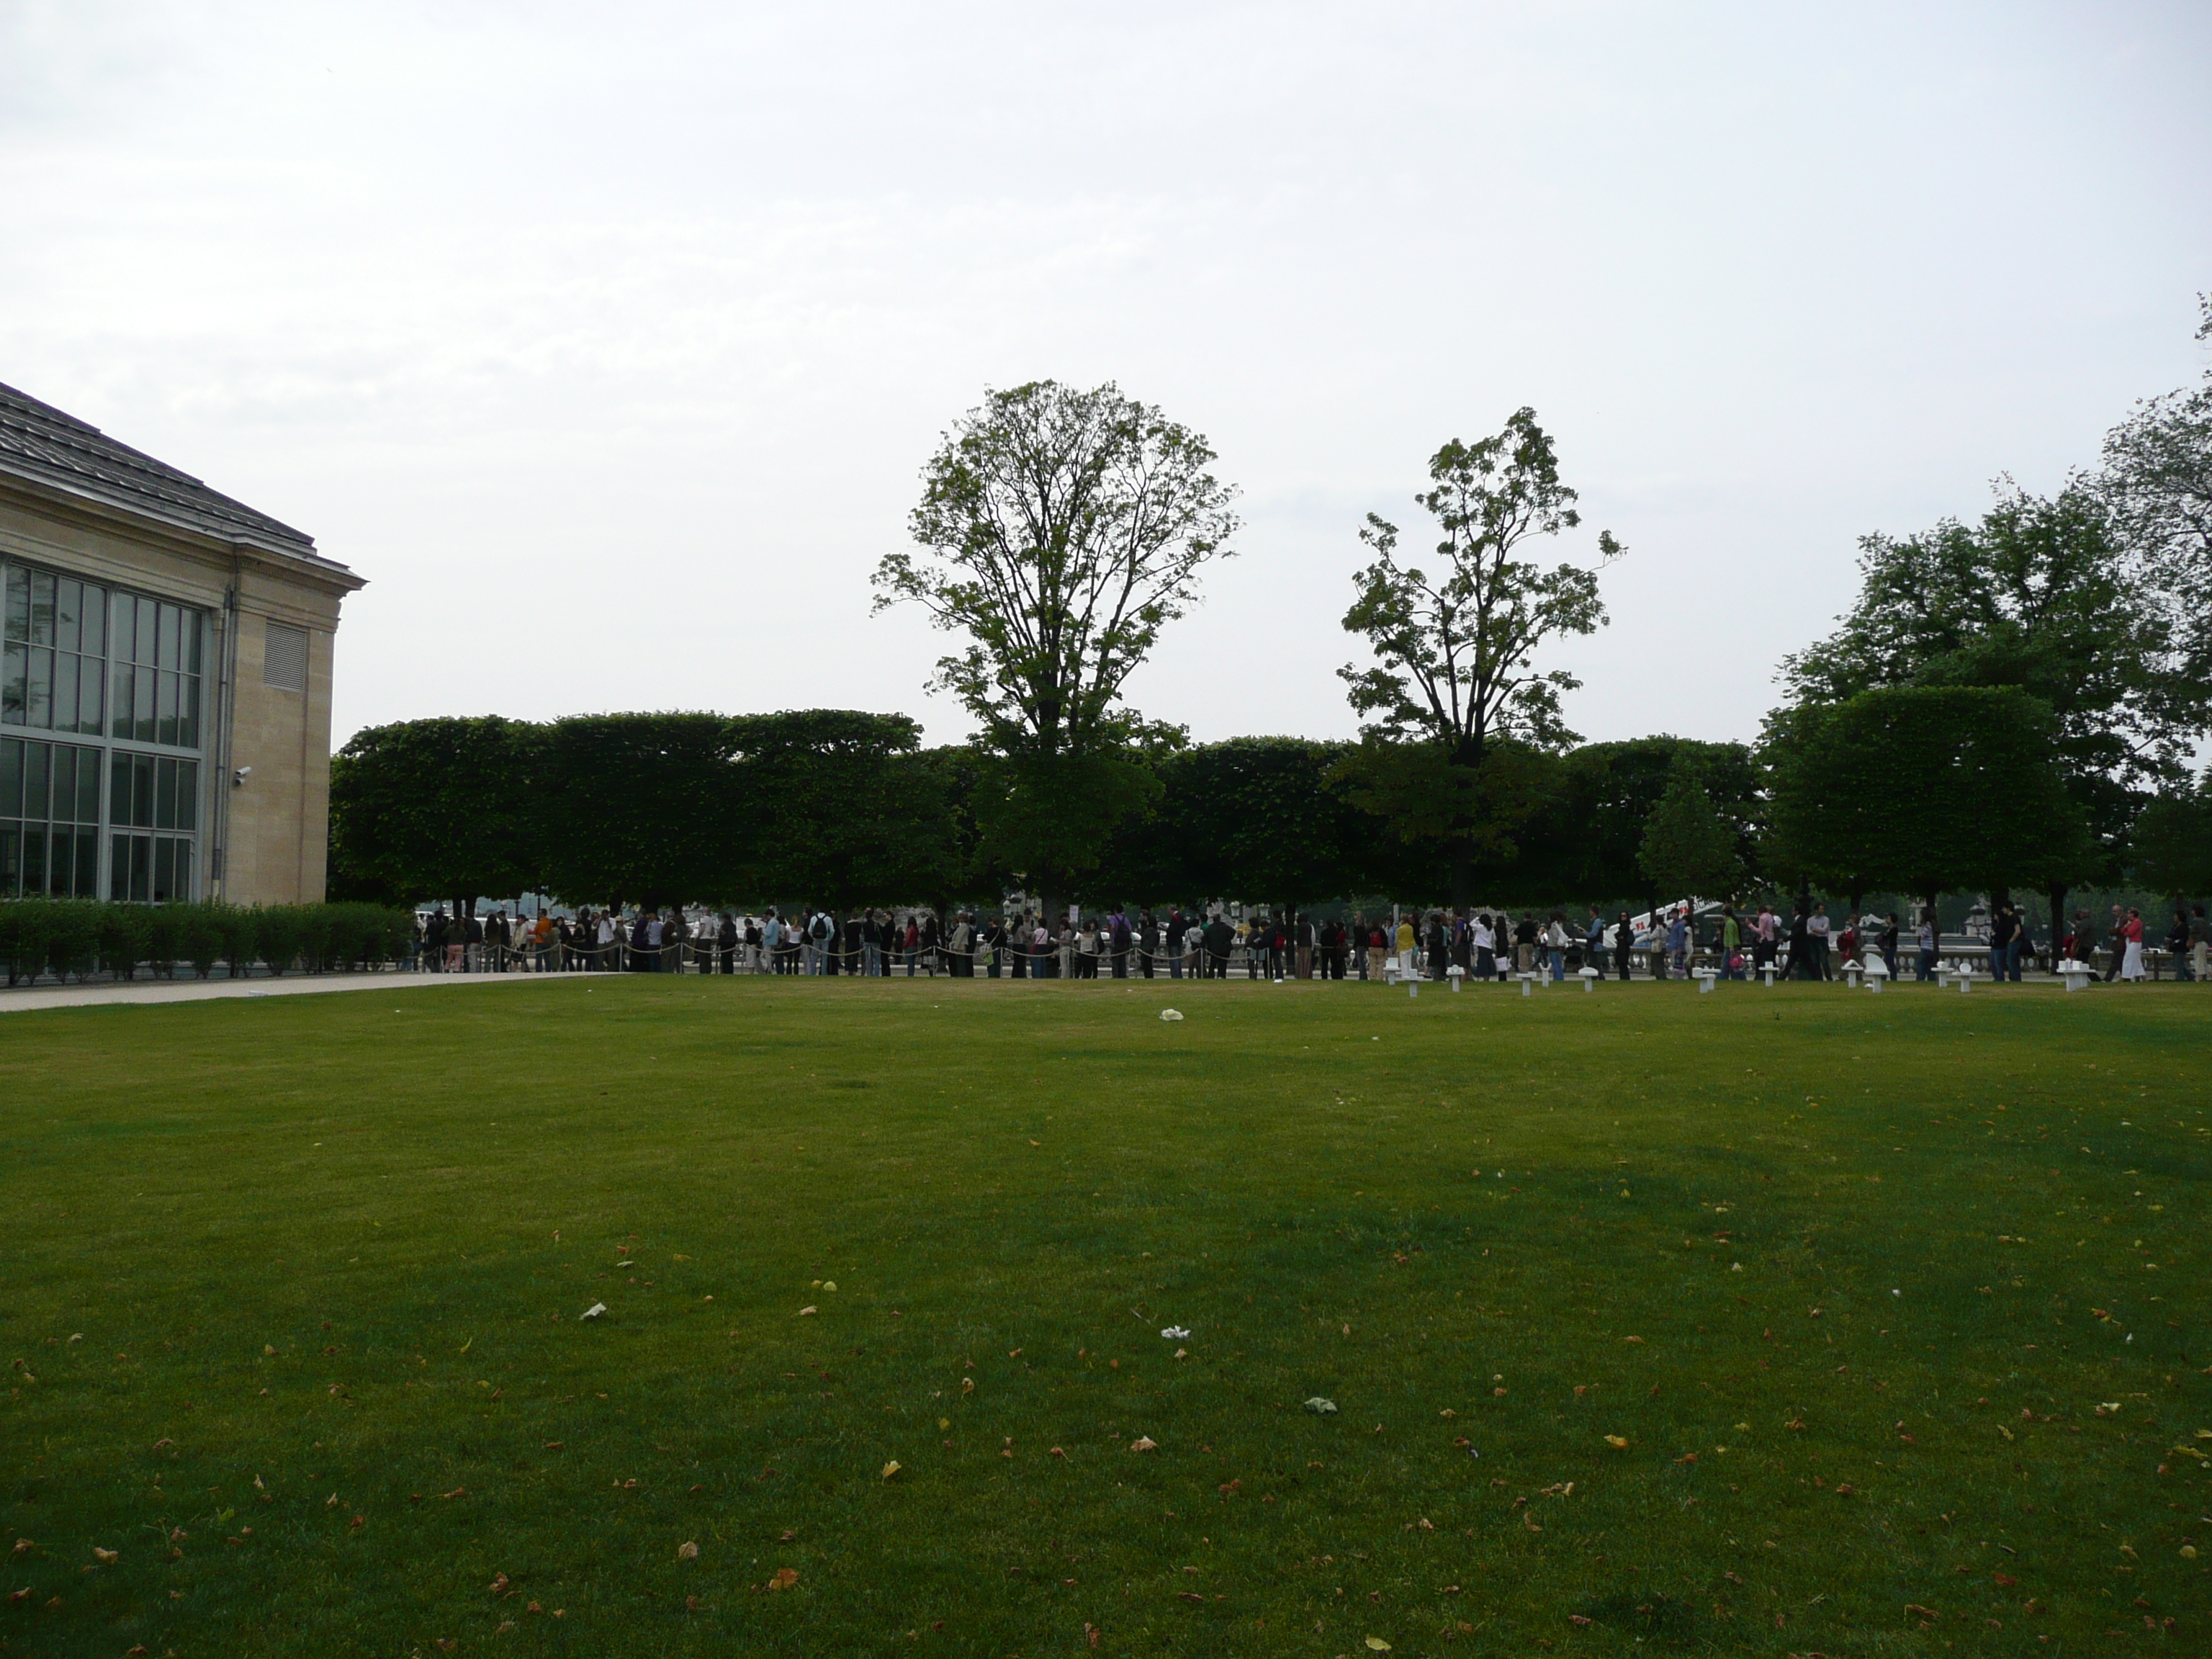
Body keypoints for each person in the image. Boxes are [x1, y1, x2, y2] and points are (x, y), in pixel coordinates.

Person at [2119, 907, 2146, 981]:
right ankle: (2142, 975)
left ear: (2133, 914)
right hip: (2130, 942)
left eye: (2129, 913)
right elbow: (2122, 930)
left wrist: (2127, 932)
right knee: (2136, 959)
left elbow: (2131, 932)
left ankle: (2125, 976)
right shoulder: (2130, 922)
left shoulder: (2137, 922)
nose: (2127, 915)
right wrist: (2127, 926)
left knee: (2128, 959)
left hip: (2135, 942)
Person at [1915, 911, 1936, 981]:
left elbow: (1923, 935)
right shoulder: (1931, 925)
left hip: (1926, 949)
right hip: (1929, 949)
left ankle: (1921, 979)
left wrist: (1918, 929)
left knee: (1920, 965)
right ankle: (1930, 979)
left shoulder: (1927, 925)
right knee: (1928, 966)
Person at [1614, 912, 1634, 981]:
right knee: (1622, 964)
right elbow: (1618, 935)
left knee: (1623, 963)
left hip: (1624, 947)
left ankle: (1624, 978)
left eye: (1624, 916)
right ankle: (1624, 978)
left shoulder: (1625, 926)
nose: (1622, 917)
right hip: (1622, 946)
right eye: (1621, 916)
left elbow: (1618, 935)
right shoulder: (1623, 925)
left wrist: (1619, 936)